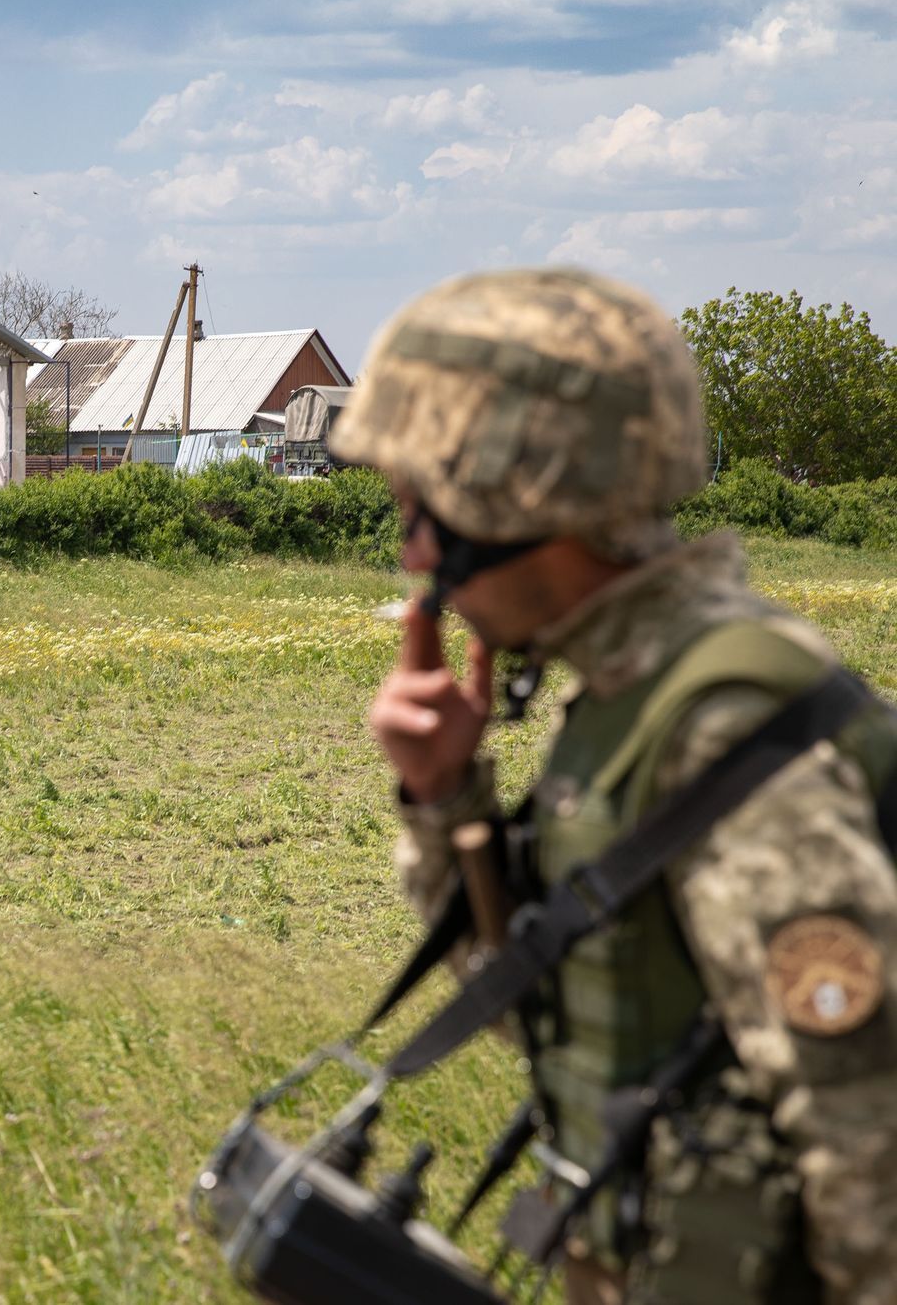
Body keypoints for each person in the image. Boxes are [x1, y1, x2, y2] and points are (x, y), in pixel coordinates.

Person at [328, 266, 897, 1304]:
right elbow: (560, 1016)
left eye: (423, 512)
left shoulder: (719, 723)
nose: (412, 552)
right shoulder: (631, 699)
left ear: (518, 494)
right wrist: (444, 797)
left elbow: (870, 1134)